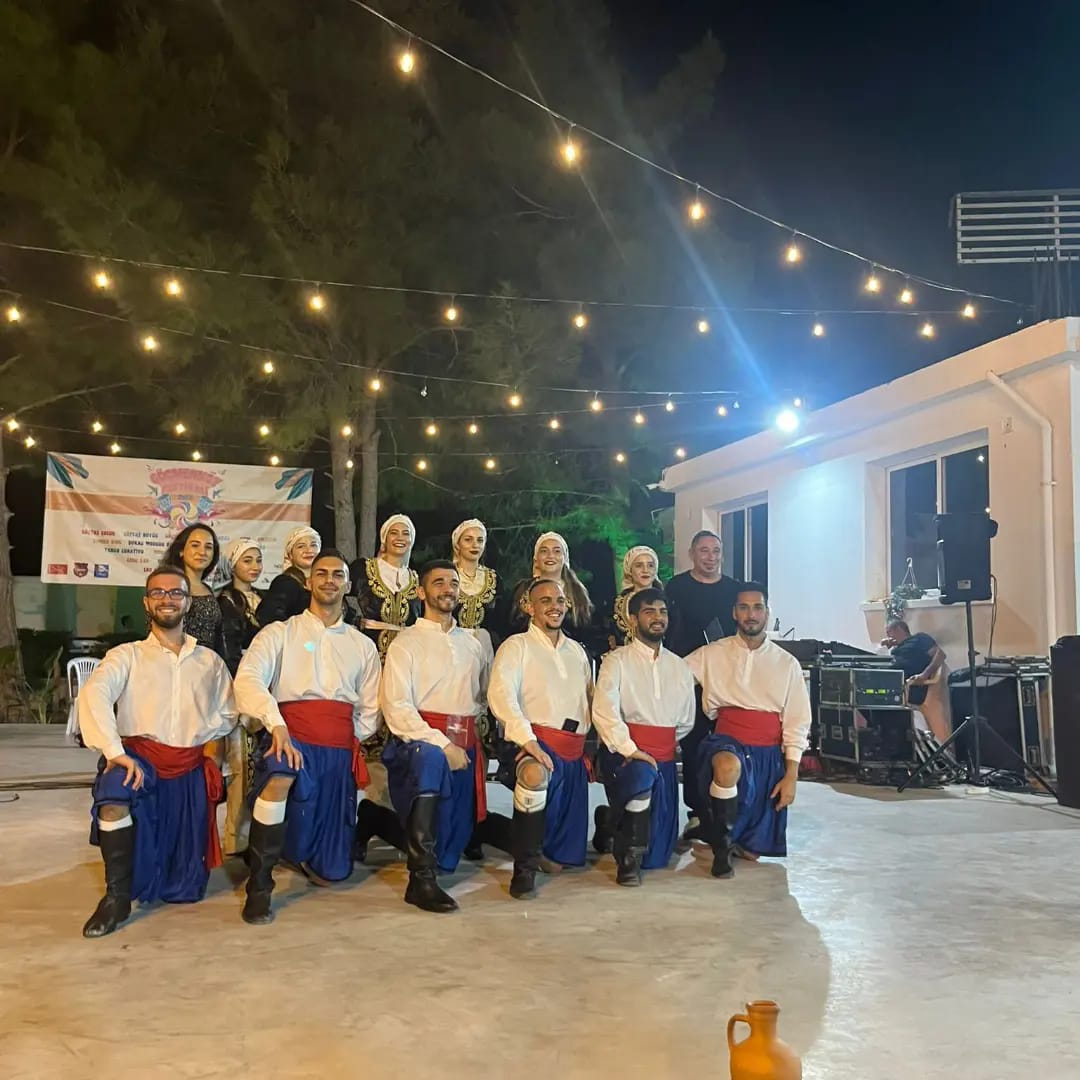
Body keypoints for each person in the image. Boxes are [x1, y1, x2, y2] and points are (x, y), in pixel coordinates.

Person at [77, 564, 237, 937]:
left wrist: (208, 748)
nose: (167, 599)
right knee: (113, 792)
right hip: (139, 762)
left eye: (176, 592)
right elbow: (95, 693)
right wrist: (114, 751)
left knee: (185, 890)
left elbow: (228, 712)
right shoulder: (126, 656)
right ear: (147, 603)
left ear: (188, 602)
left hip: (188, 769)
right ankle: (116, 898)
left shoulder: (209, 662)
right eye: (158, 593)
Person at [233, 549, 381, 924]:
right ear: (310, 581)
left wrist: (348, 737)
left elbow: (371, 706)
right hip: (289, 737)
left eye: (338, 575)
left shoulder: (362, 645)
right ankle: (260, 887)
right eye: (322, 573)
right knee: (280, 775)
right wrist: (276, 724)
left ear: (348, 585)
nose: (329, 580)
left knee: (332, 874)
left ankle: (296, 847)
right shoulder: (279, 633)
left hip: (338, 749)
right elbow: (248, 680)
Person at [380, 560, 491, 913]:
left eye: (453, 583)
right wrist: (443, 745)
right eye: (439, 582)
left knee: (449, 852)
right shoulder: (406, 643)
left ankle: (374, 819)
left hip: (465, 745)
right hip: (421, 745)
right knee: (430, 764)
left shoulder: (472, 644)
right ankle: (420, 881)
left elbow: (482, 696)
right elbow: (396, 706)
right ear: (421, 592)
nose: (448, 589)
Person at [686, 583, 811, 879]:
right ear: (734, 613)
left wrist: (791, 776)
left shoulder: (787, 664)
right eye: (743, 607)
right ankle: (722, 848)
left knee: (753, 853)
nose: (751, 614)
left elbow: (797, 722)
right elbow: (671, 677)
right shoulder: (710, 654)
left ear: (767, 613)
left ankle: (721, 830)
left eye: (757, 608)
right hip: (726, 741)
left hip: (767, 756)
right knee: (727, 766)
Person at [488, 577, 593, 900]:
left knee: (559, 863)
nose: (555, 607)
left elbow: (590, 702)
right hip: (536, 743)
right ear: (529, 607)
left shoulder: (577, 652)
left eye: (560, 600)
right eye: (545, 600)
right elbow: (501, 695)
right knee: (534, 774)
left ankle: (490, 827)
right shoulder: (515, 646)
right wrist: (528, 741)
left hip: (573, 753)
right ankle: (524, 869)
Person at [592, 588, 695, 885]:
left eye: (663, 612)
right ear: (634, 619)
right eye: (649, 612)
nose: (658, 618)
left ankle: (609, 821)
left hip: (664, 760)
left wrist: (661, 745)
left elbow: (685, 721)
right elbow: (604, 710)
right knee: (640, 778)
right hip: (626, 756)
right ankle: (627, 862)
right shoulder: (617, 661)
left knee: (658, 857)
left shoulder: (679, 666)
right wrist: (630, 749)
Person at [664, 529, 743, 850]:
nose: (711, 557)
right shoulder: (676, 587)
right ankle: (697, 812)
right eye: (704, 551)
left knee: (727, 743)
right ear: (692, 554)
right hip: (689, 677)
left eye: (716, 551)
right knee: (694, 744)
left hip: (727, 679)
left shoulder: (734, 590)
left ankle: (726, 809)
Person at [217, 538, 264, 855]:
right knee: (241, 765)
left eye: (258, 560)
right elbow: (228, 651)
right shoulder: (225, 602)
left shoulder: (265, 599)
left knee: (265, 766)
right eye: (247, 560)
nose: (255, 566)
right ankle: (236, 839)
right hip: (240, 688)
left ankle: (264, 836)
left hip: (268, 686)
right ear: (232, 564)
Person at [350, 513, 421, 661]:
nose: (400, 538)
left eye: (405, 533)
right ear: (384, 539)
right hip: (368, 652)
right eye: (394, 533)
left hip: (406, 655)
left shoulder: (416, 579)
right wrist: (353, 620)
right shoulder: (364, 569)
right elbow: (337, 594)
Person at [505, 532, 595, 643]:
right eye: (544, 551)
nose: (550, 555)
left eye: (557, 551)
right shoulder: (522, 590)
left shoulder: (577, 593)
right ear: (536, 558)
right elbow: (508, 626)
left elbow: (586, 630)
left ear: (564, 558)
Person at [882, 619, 951, 742]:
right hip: (894, 685)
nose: (887, 636)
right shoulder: (896, 649)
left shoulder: (919, 639)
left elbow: (940, 654)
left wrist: (924, 675)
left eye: (889, 632)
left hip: (914, 687)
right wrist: (884, 648)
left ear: (899, 629)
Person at [163, 523, 222, 650]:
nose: (202, 552)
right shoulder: (169, 587)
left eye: (208, 547)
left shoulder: (208, 589)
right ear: (181, 551)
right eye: (195, 545)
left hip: (210, 659)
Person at [257, 526, 321, 627]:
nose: (308, 550)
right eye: (301, 546)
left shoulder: (325, 582)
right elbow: (268, 616)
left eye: (313, 545)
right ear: (290, 555)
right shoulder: (286, 583)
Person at [451, 518, 499, 644]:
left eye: (480, 540)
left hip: (484, 646)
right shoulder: (447, 575)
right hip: (450, 644)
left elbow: (501, 620)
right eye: (468, 539)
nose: (475, 545)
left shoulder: (494, 579)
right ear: (457, 544)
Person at [610, 545, 663, 647]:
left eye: (650, 565)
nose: (645, 570)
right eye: (639, 565)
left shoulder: (666, 603)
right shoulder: (618, 604)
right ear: (629, 570)